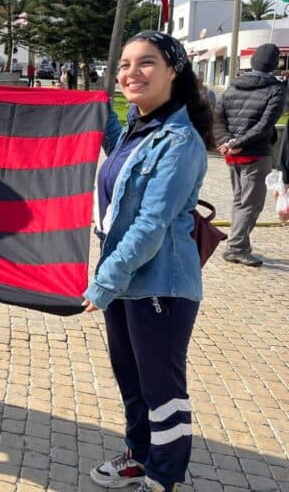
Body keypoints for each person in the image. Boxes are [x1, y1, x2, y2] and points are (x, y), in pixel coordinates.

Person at [84, 31, 215, 492]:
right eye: (124, 65)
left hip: (160, 284)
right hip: (124, 280)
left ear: (173, 72)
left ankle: (164, 476)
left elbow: (150, 226)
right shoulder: (139, 130)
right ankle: (139, 457)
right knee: (133, 382)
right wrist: (94, 110)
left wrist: (102, 284)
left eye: (147, 63)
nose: (131, 73)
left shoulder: (180, 142)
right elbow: (119, 150)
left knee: (162, 391)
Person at [213, 42, 285, 267]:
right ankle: (237, 247)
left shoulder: (233, 86)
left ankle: (237, 243)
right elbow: (266, 124)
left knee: (239, 200)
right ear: (275, 64)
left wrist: (226, 142)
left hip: (233, 154)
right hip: (255, 153)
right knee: (251, 204)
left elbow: (217, 118)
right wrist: (238, 142)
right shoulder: (275, 90)